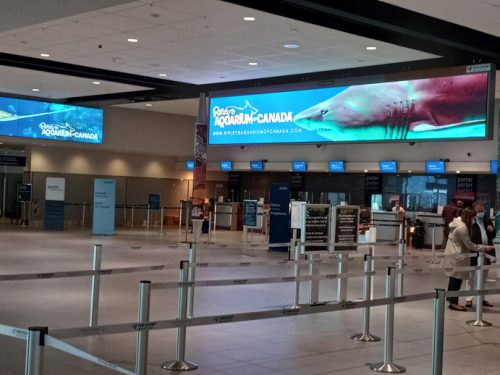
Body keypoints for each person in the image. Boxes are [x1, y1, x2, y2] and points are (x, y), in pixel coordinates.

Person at [443, 208, 495, 311]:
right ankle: (454, 303)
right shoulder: (463, 228)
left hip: (451, 255)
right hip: (458, 256)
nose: (474, 220)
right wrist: (484, 248)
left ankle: (450, 298)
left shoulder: (456, 222)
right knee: (456, 280)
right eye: (473, 218)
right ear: (468, 217)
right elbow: (470, 245)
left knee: (453, 278)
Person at [465, 201, 496, 307]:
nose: (481, 211)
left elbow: (493, 235)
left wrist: (492, 230)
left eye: (482, 209)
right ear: (474, 209)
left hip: (486, 252)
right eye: (479, 210)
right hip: (474, 251)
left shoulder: (487, 219)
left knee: (484, 276)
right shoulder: (470, 221)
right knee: (471, 276)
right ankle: (469, 298)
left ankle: (482, 298)